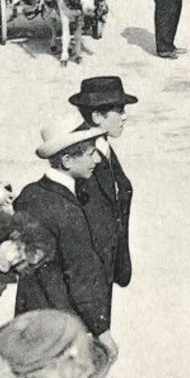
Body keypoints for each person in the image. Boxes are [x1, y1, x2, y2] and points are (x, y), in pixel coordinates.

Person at [13, 118, 126, 368]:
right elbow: (80, 279)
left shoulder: (30, 194)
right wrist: (102, 332)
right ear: (66, 161)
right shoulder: (67, 210)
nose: (97, 160)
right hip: (64, 325)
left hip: (32, 317)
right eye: (90, 153)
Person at [67, 76, 137, 320]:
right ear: (97, 117)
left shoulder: (102, 144)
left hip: (105, 265)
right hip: (88, 274)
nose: (125, 116)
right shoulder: (81, 155)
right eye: (119, 111)